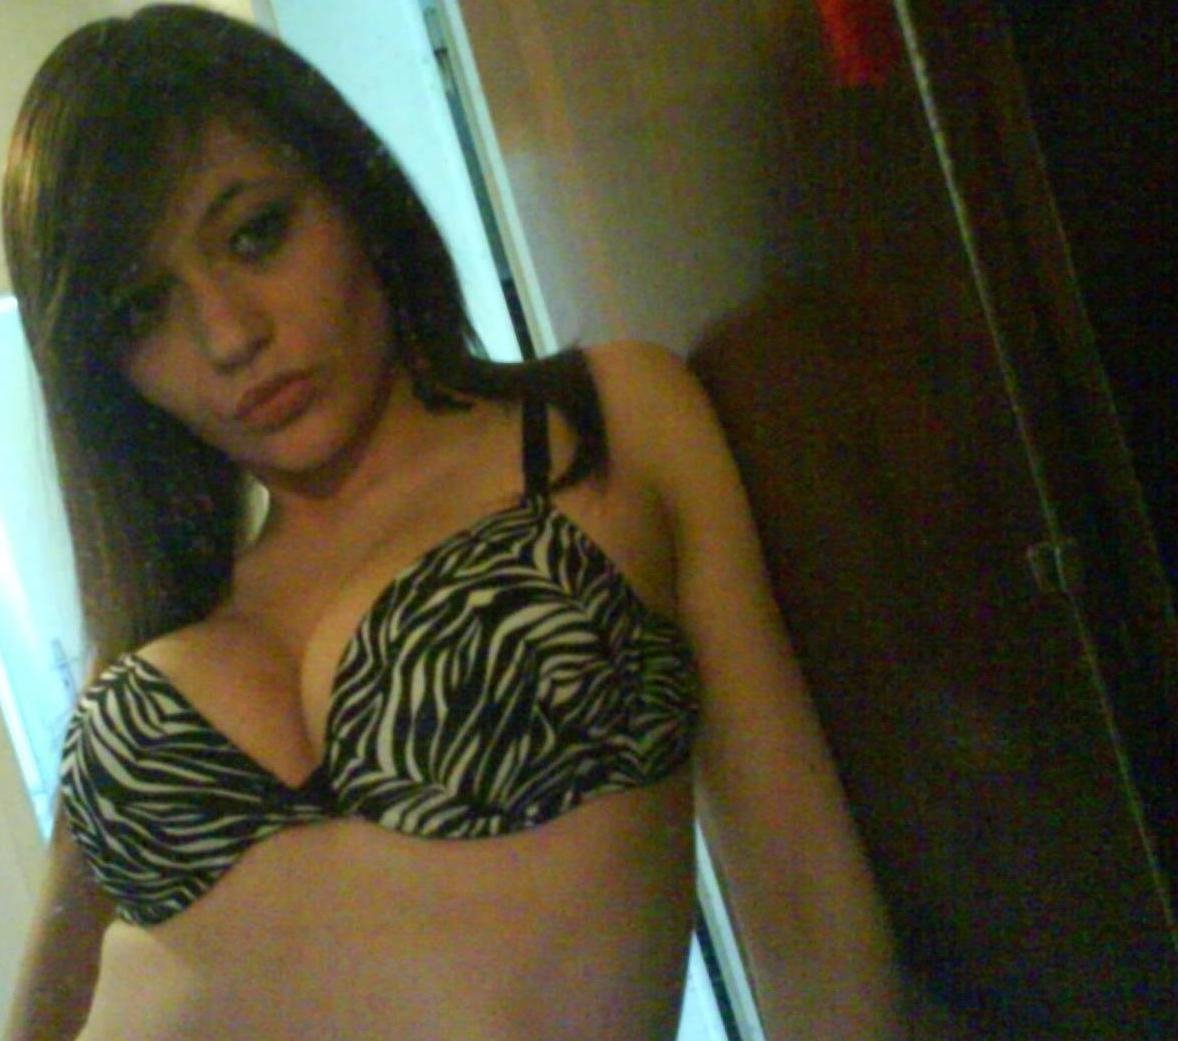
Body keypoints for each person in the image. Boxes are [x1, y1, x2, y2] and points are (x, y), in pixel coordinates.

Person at [1, 5, 900, 1039]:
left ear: (353, 191)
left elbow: (800, 893)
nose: (229, 334)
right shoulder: (160, 629)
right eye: (140, 309)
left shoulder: (604, 425)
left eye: (256, 233)